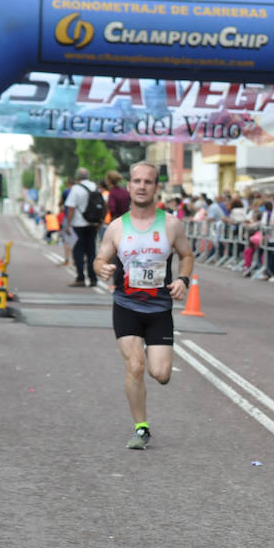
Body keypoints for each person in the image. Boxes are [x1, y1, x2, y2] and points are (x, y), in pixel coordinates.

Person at [92, 162, 195, 449]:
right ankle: (141, 428)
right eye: (136, 181)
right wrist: (101, 268)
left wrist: (184, 279)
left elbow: (187, 255)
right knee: (134, 366)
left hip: (160, 309)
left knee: (160, 374)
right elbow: (100, 258)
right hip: (126, 306)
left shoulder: (172, 225)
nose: (141, 186)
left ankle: (154, 357)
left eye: (147, 182)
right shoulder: (116, 227)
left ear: (156, 187)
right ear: (129, 186)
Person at [63, 167, 100, 288]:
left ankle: (80, 278)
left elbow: (71, 208)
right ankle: (93, 278)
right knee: (91, 252)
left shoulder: (76, 189)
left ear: (77, 177)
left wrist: (68, 224)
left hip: (78, 224)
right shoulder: (94, 186)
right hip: (92, 224)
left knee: (78, 251)